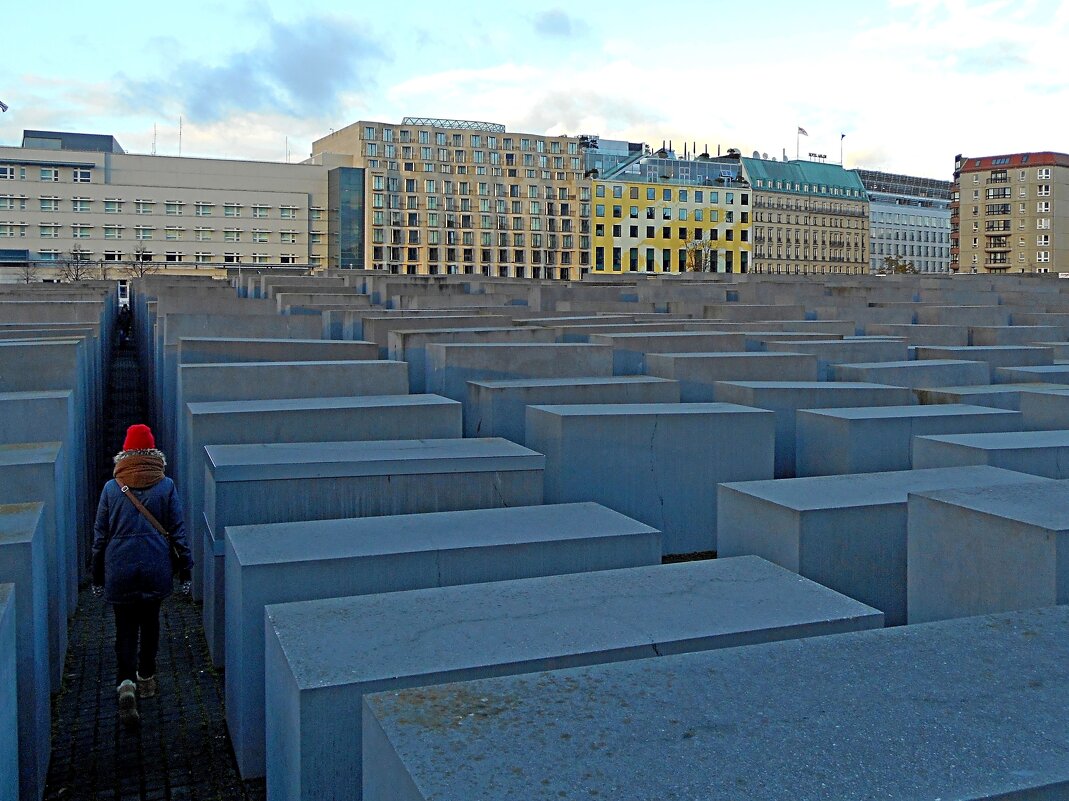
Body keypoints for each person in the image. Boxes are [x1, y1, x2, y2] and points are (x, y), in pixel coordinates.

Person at [92, 423, 192, 726]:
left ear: (125, 452)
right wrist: (185, 568)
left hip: (119, 569)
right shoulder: (166, 486)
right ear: (152, 452)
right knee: (150, 625)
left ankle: (125, 684)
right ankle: (146, 677)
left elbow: (100, 536)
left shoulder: (112, 489)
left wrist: (97, 574)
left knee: (124, 629)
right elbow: (177, 531)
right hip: (154, 568)